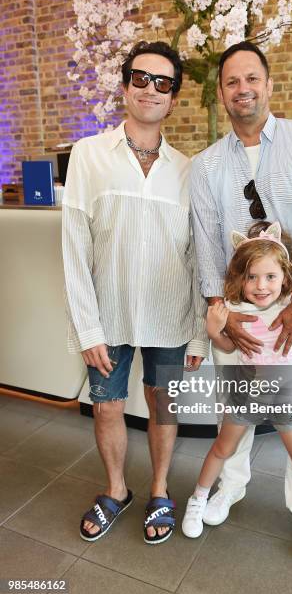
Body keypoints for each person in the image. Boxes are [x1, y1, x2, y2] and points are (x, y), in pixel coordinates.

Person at [189, 40, 292, 564]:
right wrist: (219, 307)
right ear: (222, 93)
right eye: (232, 82)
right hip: (237, 313)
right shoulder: (206, 165)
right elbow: (207, 239)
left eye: (251, 78)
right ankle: (230, 486)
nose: (242, 89)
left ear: (269, 84)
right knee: (234, 409)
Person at [62, 41, 208, 545]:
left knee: (164, 406)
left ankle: (161, 491)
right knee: (106, 405)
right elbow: (74, 249)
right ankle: (117, 490)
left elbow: (197, 259)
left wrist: (197, 337)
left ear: (174, 98)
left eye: (163, 83)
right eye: (141, 78)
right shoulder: (88, 156)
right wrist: (86, 328)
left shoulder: (189, 171)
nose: (151, 89)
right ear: (125, 85)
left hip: (171, 314)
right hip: (109, 314)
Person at [182, 222, 292, 577]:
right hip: (245, 399)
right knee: (220, 450)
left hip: (286, 402)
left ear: (285, 276)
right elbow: (229, 346)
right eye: (253, 277)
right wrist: (215, 330)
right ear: (241, 279)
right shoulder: (233, 307)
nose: (262, 286)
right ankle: (197, 500)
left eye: (271, 277)